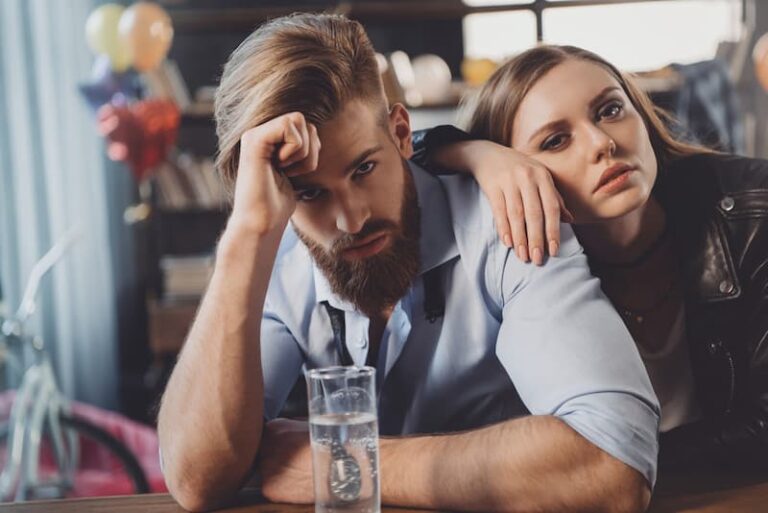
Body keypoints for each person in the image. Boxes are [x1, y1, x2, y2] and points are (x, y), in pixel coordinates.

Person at [157, 15, 660, 513]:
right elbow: (198, 479)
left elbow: (612, 463)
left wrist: (341, 464)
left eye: (364, 168)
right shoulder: (272, 252)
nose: (351, 220)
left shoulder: (508, 222)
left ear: (401, 132)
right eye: (308, 192)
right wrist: (245, 238)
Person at [411, 44, 768, 473]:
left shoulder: (754, 213)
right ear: (515, 177)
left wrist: (609, 469)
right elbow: (395, 170)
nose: (602, 143)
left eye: (611, 110)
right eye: (556, 140)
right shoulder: (518, 268)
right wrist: (472, 154)